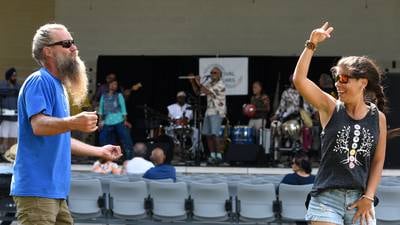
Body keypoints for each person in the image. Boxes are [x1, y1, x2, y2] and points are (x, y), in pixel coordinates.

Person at [11, 23, 122, 225]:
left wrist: (99, 151)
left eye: (73, 42)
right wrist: (73, 122)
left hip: (53, 192)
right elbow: (39, 125)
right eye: (66, 43)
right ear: (48, 51)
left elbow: (61, 138)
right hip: (38, 191)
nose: (74, 48)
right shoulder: (39, 80)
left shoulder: (58, 86)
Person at [293, 22, 388, 225]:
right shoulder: (330, 106)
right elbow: (299, 80)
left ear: (362, 82)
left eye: (344, 78)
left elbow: (378, 160)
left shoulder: (377, 117)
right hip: (326, 200)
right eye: (337, 78)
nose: (338, 83)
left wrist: (369, 197)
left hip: (361, 200)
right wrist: (311, 44)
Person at [189, 67, 226, 164]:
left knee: (214, 134)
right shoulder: (209, 83)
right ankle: (212, 155)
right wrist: (193, 82)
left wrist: (198, 82)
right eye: (211, 72)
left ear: (219, 75)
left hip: (217, 111)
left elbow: (208, 92)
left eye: (215, 72)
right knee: (208, 135)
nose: (212, 74)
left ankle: (219, 156)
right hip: (209, 111)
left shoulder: (220, 84)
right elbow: (198, 92)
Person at [99, 80, 134, 160]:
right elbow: (101, 110)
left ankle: (129, 158)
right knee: (103, 139)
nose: (114, 86)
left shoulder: (119, 95)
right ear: (109, 85)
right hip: (107, 121)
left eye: (116, 84)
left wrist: (125, 121)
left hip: (119, 120)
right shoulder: (104, 96)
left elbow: (123, 109)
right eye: (113, 84)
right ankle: (106, 157)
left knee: (126, 139)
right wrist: (100, 122)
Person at [0, 67, 21, 155]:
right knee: (3, 138)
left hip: (15, 118)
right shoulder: (1, 87)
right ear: (8, 76)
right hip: (4, 118)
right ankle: (2, 155)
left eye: (15, 76)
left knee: (14, 138)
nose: (15, 77)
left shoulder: (19, 87)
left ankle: (11, 156)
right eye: (13, 76)